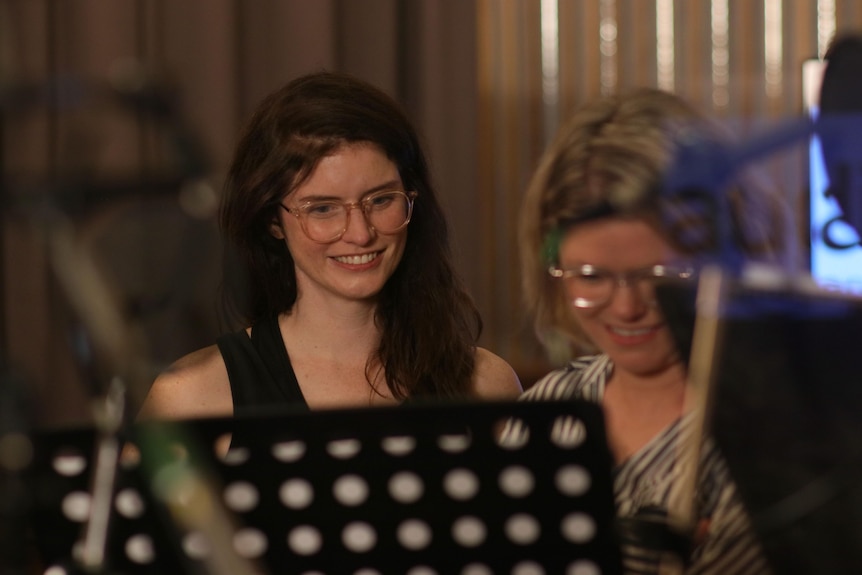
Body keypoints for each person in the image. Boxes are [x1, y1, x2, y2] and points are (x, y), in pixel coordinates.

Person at [138, 71, 522, 421]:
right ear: (273, 220)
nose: (359, 233)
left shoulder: (488, 384)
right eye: (322, 208)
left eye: (381, 200)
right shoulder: (192, 397)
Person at [513, 88, 783, 573]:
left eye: (660, 276)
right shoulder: (547, 409)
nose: (627, 307)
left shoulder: (772, 432)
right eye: (591, 276)